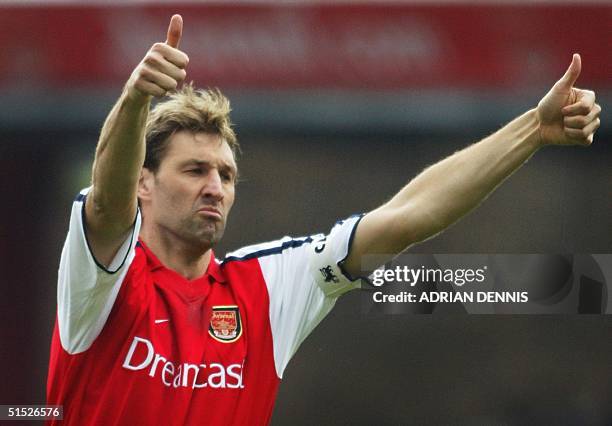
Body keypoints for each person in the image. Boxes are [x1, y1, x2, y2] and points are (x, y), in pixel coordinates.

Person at [46, 14, 601, 426]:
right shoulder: (103, 281)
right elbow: (106, 205)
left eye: (226, 174)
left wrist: (534, 129)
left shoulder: (265, 286)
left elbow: (405, 217)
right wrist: (136, 97)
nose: (214, 187)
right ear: (145, 182)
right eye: (193, 170)